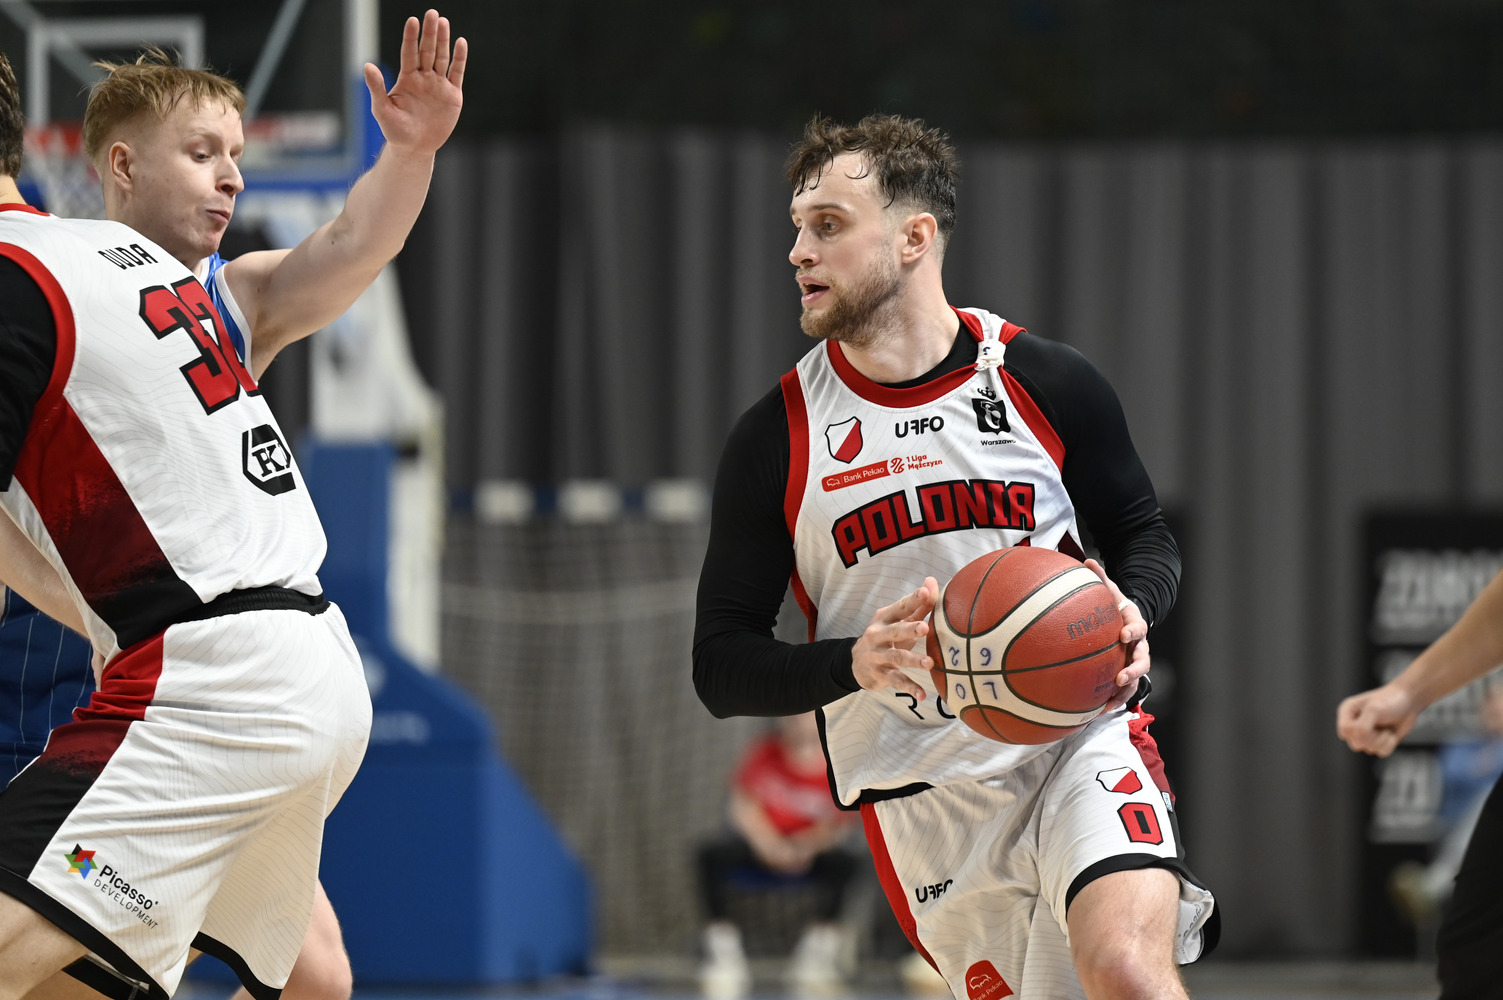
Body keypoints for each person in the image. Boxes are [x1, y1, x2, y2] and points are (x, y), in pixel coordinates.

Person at [693, 114, 1218, 999]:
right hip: (919, 797)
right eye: (795, 227)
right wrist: (852, 664)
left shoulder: (1040, 379)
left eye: (827, 224)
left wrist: (1133, 605)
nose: (797, 251)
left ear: (913, 237)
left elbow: (1143, 535)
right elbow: (718, 665)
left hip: (1075, 739)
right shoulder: (775, 438)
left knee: (1125, 970)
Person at [5, 11, 465, 999]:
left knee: (311, 968)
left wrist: (409, 154)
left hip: (186, 676)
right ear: (121, 166)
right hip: (91, 682)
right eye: (203, 152)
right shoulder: (50, 284)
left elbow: (352, 241)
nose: (232, 178)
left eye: (237, 156)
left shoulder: (219, 299)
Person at [1339, 568, 1503, 999]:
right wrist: (1408, 692)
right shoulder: (1465, 746)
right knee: (1477, 953)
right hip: (1455, 830)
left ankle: (1433, 884)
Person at [696, 712, 858, 998]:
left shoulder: (838, 761)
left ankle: (817, 957)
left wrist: (805, 846)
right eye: (793, 716)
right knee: (710, 855)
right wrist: (768, 844)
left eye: (806, 715)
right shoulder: (764, 752)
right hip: (763, 848)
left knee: (846, 863)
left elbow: (838, 823)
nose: (798, 721)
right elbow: (743, 804)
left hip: (809, 853)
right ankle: (723, 954)